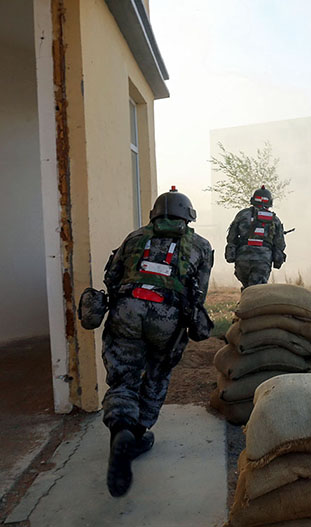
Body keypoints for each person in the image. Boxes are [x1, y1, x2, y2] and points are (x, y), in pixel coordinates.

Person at [100, 186, 213, 497]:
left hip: (127, 309)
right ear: (188, 215)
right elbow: (198, 294)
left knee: (123, 376)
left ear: (154, 213)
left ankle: (121, 427)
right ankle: (137, 432)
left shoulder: (135, 237)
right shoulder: (201, 245)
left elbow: (111, 277)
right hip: (168, 318)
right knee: (157, 373)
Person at [224, 186, 286, 289]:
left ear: (253, 200)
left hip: (242, 259)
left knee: (248, 287)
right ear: (269, 202)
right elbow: (280, 244)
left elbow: (231, 237)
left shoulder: (242, 214)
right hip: (262, 260)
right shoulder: (274, 219)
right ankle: (251, 303)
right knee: (257, 290)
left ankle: (246, 301)